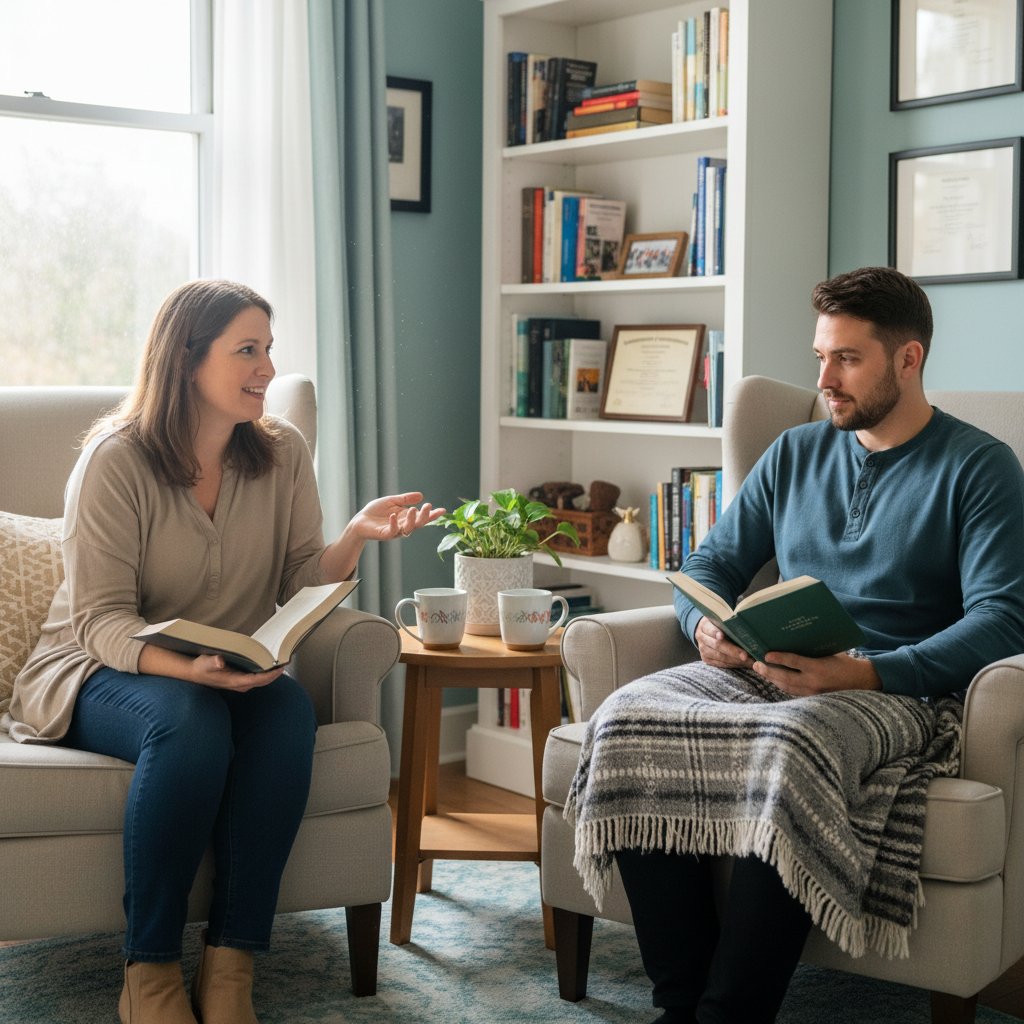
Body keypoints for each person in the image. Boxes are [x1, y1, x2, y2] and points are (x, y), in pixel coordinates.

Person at [564, 266, 1024, 1024]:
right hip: (766, 669)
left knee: (793, 743)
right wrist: (705, 625)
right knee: (627, 716)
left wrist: (864, 674)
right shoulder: (793, 452)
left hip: (897, 690)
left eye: (847, 359)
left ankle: (731, 1014)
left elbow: (1002, 619)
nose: (825, 380)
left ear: (908, 358)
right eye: (820, 357)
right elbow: (707, 567)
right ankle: (680, 1005)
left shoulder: (980, 466)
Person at [6, 280, 444, 1024]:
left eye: (268, 349)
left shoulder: (282, 451)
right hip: (96, 669)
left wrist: (354, 537)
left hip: (225, 668)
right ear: (186, 359)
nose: (267, 368)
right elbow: (100, 621)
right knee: (189, 721)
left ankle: (231, 962)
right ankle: (148, 974)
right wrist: (188, 669)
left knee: (287, 713)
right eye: (246, 350)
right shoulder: (115, 460)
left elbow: (300, 578)